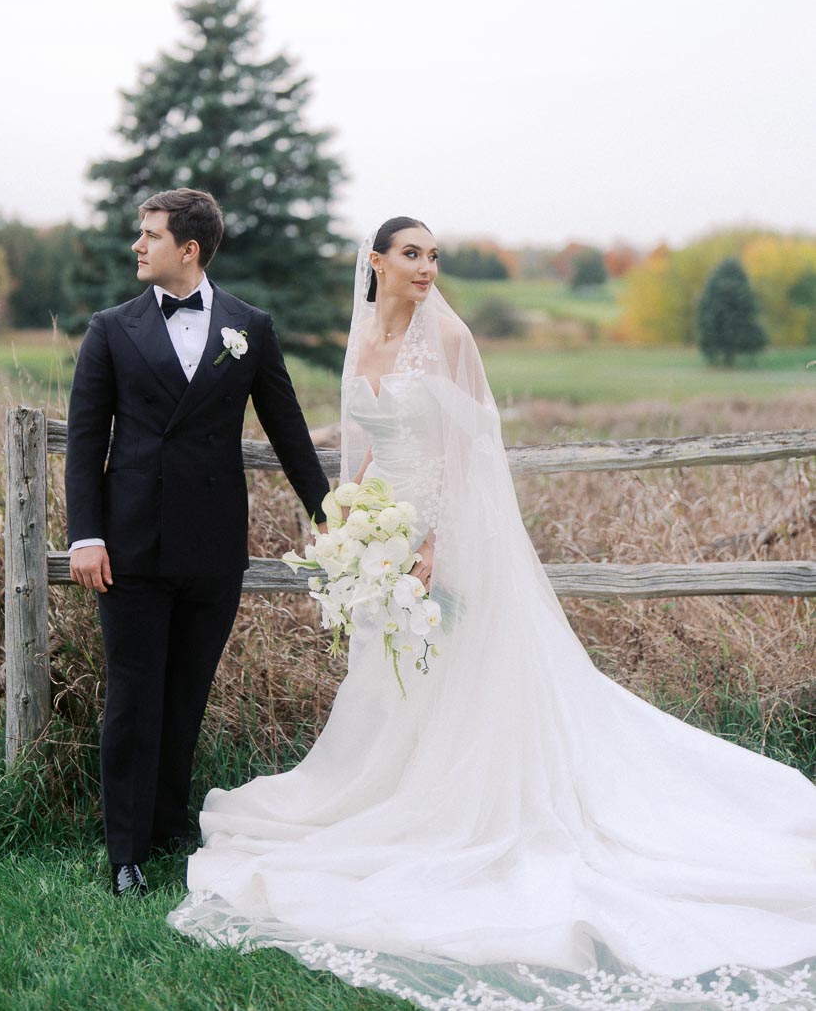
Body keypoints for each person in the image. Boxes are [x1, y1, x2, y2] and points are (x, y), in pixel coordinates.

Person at [168, 217, 816, 1010]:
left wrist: (431, 538)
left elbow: (469, 446)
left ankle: (464, 813)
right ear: (376, 262)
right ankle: (394, 804)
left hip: (442, 539)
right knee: (393, 681)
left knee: (455, 675)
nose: (427, 268)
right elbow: (363, 447)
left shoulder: (448, 341)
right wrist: (347, 524)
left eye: (434, 256)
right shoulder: (363, 339)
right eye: (411, 254)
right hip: (378, 538)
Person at [66, 188, 329, 898]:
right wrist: (85, 536)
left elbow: (287, 427)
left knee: (186, 693)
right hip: (129, 546)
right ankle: (124, 850)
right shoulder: (111, 329)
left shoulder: (249, 326)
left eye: (149, 235)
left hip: (214, 544)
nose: (136, 246)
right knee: (132, 696)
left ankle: (168, 824)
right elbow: (86, 442)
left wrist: (329, 513)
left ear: (189, 249)